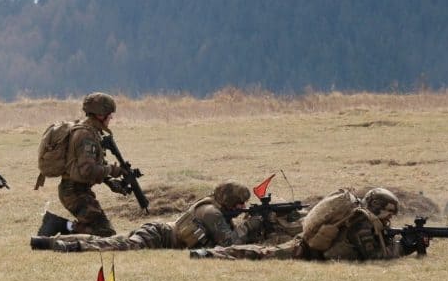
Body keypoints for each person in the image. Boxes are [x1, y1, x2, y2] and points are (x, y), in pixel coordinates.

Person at [32, 181, 278, 252]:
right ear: (228, 201)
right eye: (239, 204)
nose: (242, 207)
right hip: (158, 236)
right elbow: (230, 244)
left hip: (160, 233)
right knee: (113, 244)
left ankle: (55, 238)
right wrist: (251, 224)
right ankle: (58, 243)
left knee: (112, 241)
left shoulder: (214, 207)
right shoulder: (212, 212)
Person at [189, 187, 411, 260]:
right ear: (378, 208)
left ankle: (213, 253)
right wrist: (405, 247)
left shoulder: (359, 216)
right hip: (304, 250)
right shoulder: (361, 222)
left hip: (306, 245)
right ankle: (211, 255)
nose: (389, 219)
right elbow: (374, 256)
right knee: (262, 254)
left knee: (263, 251)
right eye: (387, 213)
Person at [36, 92, 126, 238]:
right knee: (104, 232)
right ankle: (57, 225)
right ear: (100, 115)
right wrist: (111, 170)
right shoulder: (86, 136)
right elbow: (87, 171)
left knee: (102, 229)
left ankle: (59, 226)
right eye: (109, 114)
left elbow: (83, 167)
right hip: (74, 192)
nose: (111, 118)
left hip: (79, 190)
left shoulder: (90, 131)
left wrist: (110, 182)